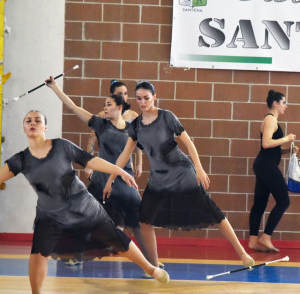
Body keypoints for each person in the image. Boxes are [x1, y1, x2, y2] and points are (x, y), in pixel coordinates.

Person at [0, 110, 170, 294]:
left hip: (83, 207)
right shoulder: (20, 160)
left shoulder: (61, 146)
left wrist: (119, 172)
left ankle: (151, 269)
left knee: (116, 239)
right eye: (28, 120)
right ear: (24, 128)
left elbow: (91, 161)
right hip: (50, 214)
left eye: (38, 120)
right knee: (39, 253)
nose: (33, 123)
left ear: (45, 127)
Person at [105, 81, 255, 268]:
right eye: (139, 98)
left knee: (213, 213)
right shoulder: (135, 126)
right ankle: (154, 265)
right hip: (159, 179)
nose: (142, 102)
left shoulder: (167, 117)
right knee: (144, 222)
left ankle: (242, 253)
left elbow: (189, 143)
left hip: (182, 173)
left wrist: (199, 169)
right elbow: (124, 156)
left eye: (146, 98)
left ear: (154, 97)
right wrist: (110, 179)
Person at [45, 76, 160, 269]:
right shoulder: (100, 124)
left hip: (125, 181)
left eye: (108, 105)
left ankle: (153, 263)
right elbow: (73, 107)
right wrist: (55, 87)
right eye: (105, 105)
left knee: (139, 223)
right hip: (100, 180)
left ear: (119, 107)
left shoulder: (133, 129)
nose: (105, 108)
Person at [248, 90, 297, 253]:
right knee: (284, 201)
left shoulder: (272, 120)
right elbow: (266, 144)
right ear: (275, 103)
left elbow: (272, 149)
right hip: (266, 165)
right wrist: (287, 138)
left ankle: (253, 240)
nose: (286, 106)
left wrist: (287, 150)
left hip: (265, 163)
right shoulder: (270, 119)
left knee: (260, 203)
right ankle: (265, 237)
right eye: (284, 103)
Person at [83, 80, 143, 181]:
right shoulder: (103, 115)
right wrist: (89, 164)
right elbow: (92, 140)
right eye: (120, 94)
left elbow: (138, 142)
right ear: (112, 96)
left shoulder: (133, 116)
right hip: (106, 163)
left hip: (126, 165)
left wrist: (139, 163)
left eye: (125, 93)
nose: (124, 96)